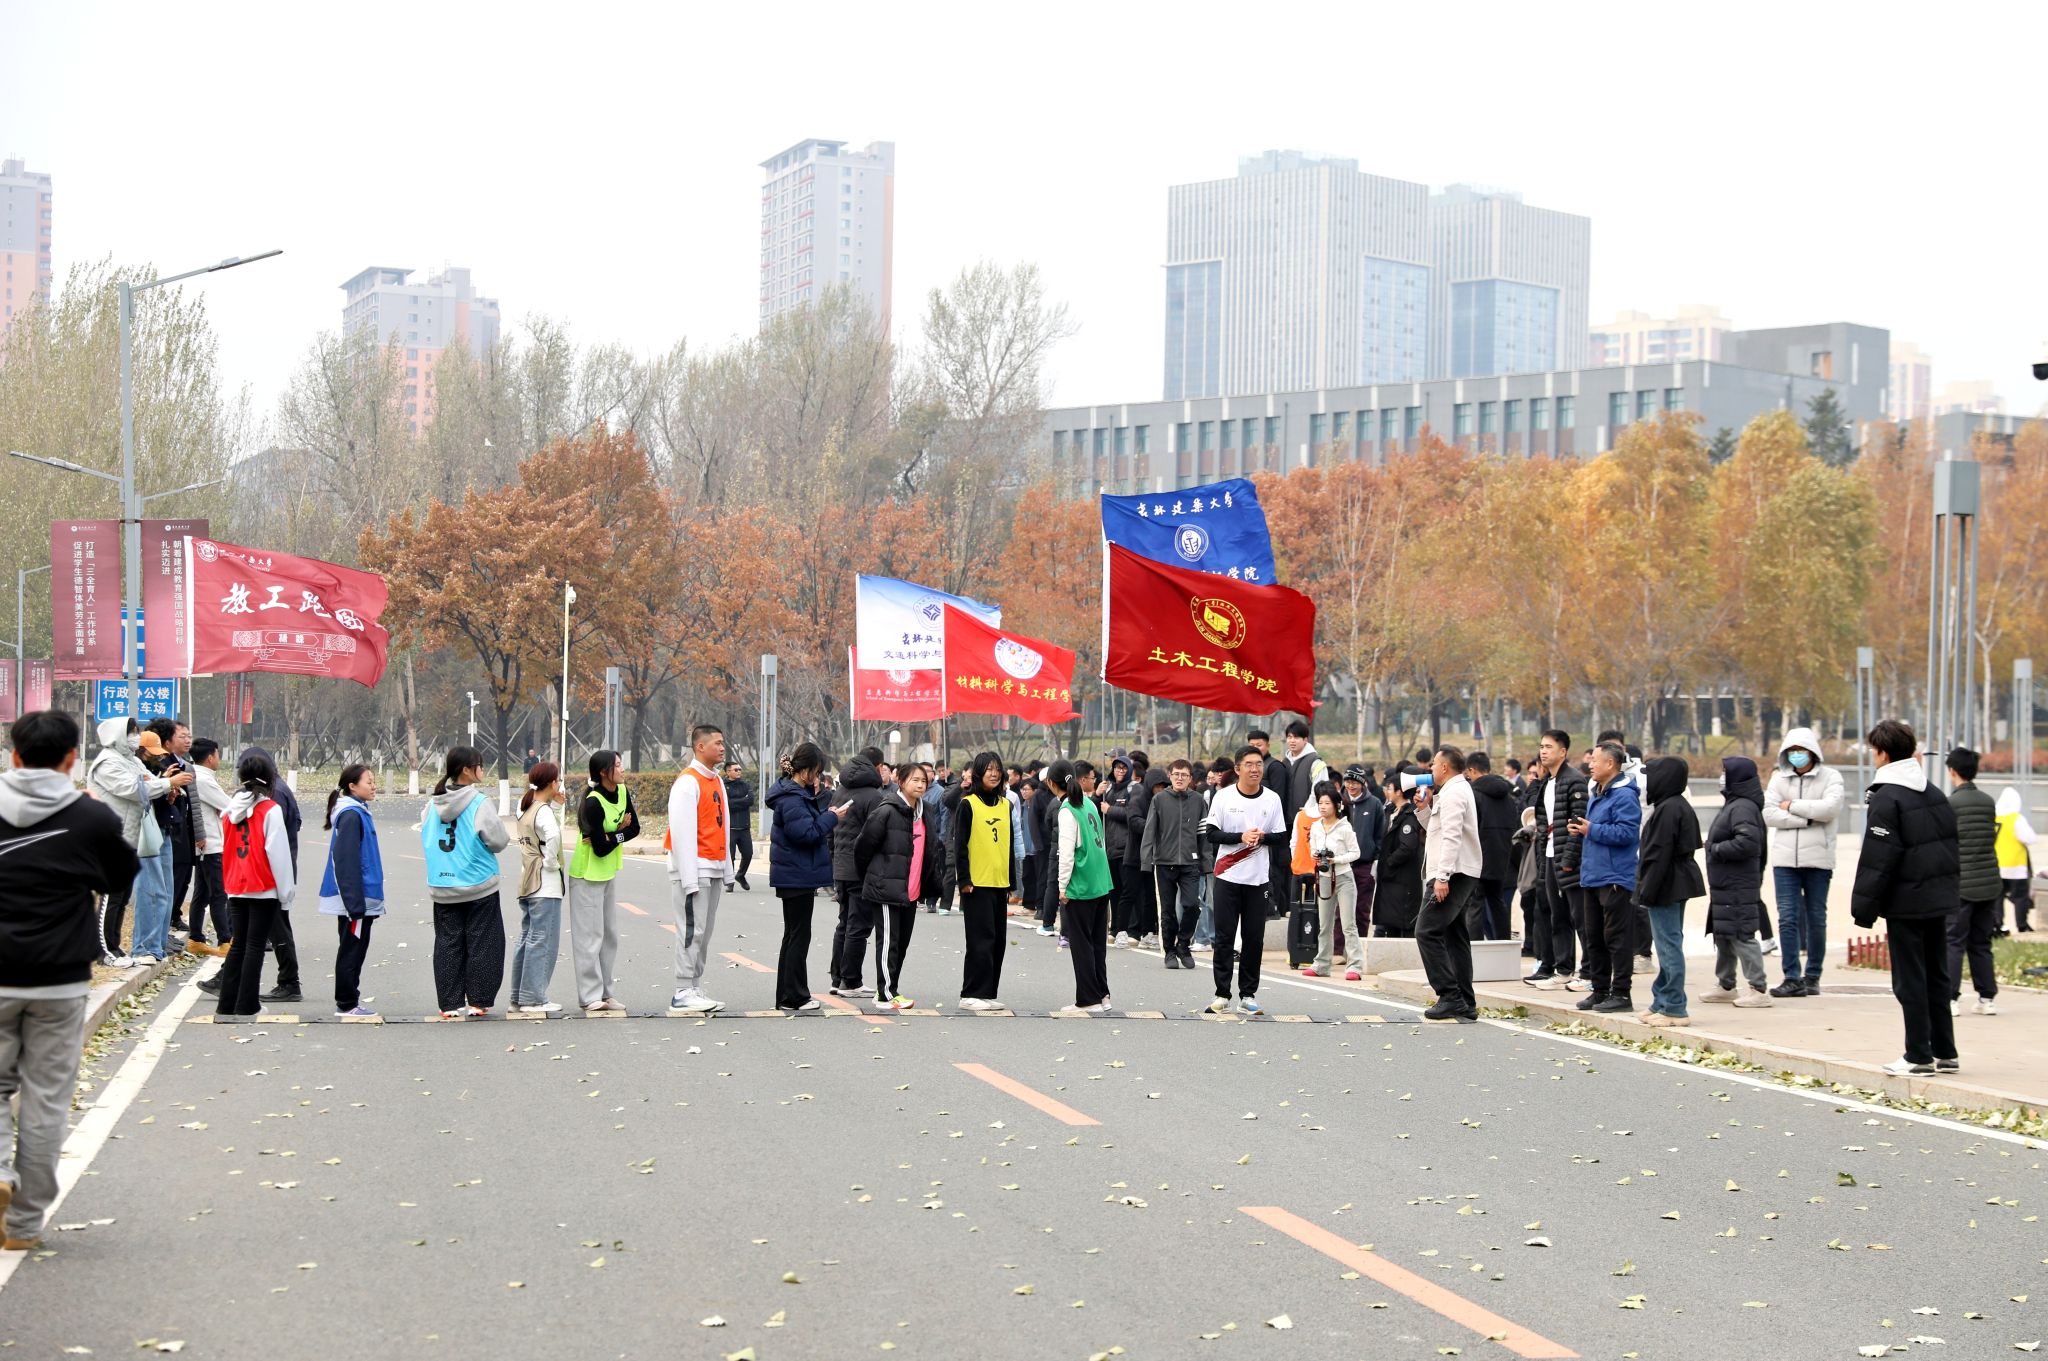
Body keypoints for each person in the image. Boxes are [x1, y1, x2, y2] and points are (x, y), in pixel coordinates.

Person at [0, 711, 138, 1251]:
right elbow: (122, 875)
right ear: (71, 759)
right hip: (59, 979)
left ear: (14, 756)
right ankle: (24, 1225)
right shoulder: (90, 817)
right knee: (45, 1099)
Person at [1850, 720, 1962, 1076]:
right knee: (1937, 975)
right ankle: (1945, 1051)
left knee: (1909, 979)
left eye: (1874, 751)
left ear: (1883, 754)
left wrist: (1863, 907)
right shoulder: (1934, 792)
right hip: (1937, 898)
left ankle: (1918, 1055)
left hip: (1906, 902)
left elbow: (1878, 857)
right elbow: (1951, 847)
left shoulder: (1887, 797)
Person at [83, 717, 183, 966]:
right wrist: (167, 783)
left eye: (137, 732)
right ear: (117, 735)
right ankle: (103, 951)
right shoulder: (107, 763)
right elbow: (132, 789)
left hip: (130, 836)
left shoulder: (131, 760)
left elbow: (148, 782)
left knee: (123, 894)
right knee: (111, 896)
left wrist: (165, 786)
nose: (135, 737)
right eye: (132, 732)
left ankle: (114, 947)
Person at [420, 746, 510, 1019]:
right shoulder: (479, 802)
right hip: (477, 883)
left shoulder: (432, 804)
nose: (482, 769)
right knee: (484, 942)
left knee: (448, 943)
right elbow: (498, 841)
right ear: (468, 770)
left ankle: (449, 1004)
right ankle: (478, 1001)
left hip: (443, 884)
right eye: (480, 765)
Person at [1200, 744, 1286, 1016]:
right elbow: (1211, 834)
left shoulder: (1272, 799)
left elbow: (1281, 836)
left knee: (1254, 938)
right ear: (1237, 769)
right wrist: (1240, 837)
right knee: (1225, 937)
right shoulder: (1224, 797)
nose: (1255, 769)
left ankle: (1248, 995)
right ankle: (1221, 994)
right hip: (1227, 876)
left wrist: (1262, 837)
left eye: (1259, 764)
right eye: (1249, 764)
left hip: (1257, 879)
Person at [1761, 726, 1845, 997]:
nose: (1797, 755)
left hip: (1819, 860)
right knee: (1787, 918)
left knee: (1816, 918)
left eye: (1801, 750)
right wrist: (1807, 818)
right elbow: (1768, 813)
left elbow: (1830, 809)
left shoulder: (1831, 777)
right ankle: (1791, 977)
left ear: (1812, 752)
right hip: (1785, 861)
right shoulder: (1778, 779)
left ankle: (1813, 976)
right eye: (1792, 750)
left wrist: (1791, 805)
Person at [216, 750, 297, 1018]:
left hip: (235, 884)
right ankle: (248, 1005)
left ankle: (227, 1003)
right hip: (263, 885)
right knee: (255, 946)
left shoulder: (229, 811)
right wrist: (286, 893)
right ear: (270, 779)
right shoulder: (270, 810)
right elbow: (279, 855)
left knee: (238, 944)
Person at [855, 761, 938, 1011]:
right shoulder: (886, 811)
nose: (920, 785)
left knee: (901, 944)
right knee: (888, 942)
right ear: (900, 781)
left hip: (910, 890)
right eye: (915, 780)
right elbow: (862, 848)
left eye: (924, 781)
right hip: (886, 889)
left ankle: (889, 988)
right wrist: (875, 879)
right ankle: (886, 994)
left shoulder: (926, 811)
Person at [1569, 742, 1641, 1015]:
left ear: (1610, 764)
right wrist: (1582, 830)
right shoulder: (1598, 792)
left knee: (1617, 939)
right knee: (1594, 937)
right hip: (1593, 875)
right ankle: (1600, 990)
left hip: (1614, 877)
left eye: (1595, 760)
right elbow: (1598, 830)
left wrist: (1593, 829)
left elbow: (1627, 834)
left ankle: (1621, 993)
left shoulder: (1624, 795)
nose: (1590, 764)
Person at [667, 725, 734, 1015]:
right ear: (700, 747)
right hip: (694, 870)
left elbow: (724, 826)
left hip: (713, 867)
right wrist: (689, 878)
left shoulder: (716, 779)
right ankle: (682, 990)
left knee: (703, 934)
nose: (722, 747)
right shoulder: (687, 782)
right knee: (691, 931)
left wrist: (727, 870)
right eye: (716, 743)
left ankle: (694, 986)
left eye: (722, 742)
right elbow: (681, 833)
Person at [767, 743, 838, 1012]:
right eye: (816, 772)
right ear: (805, 769)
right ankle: (794, 996)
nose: (818, 777)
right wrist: (831, 817)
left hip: (795, 873)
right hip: (795, 874)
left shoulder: (794, 793)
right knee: (798, 936)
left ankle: (788, 995)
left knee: (794, 935)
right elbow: (806, 834)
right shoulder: (792, 798)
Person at [1632, 755, 1701, 1028]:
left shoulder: (1669, 809)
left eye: (1651, 776)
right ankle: (1661, 1000)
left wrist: (1646, 890)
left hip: (1666, 884)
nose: (1647, 782)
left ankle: (1674, 1007)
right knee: (1667, 944)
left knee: (1668, 945)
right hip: (1673, 882)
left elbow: (1658, 855)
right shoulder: (1672, 805)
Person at [566, 750, 635, 1014]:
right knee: (589, 937)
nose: (622, 769)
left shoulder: (623, 792)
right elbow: (599, 848)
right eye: (617, 765)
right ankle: (589, 995)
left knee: (609, 936)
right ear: (604, 772)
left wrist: (614, 835)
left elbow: (635, 828)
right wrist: (618, 832)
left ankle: (607, 992)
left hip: (607, 872)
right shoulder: (593, 802)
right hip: (587, 874)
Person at [1701, 756, 1772, 1009]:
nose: (1722, 776)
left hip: (1738, 883)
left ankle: (1758, 988)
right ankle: (1726, 985)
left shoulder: (1742, 806)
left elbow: (1748, 843)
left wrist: (1715, 848)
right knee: (1724, 934)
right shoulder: (1734, 804)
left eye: (1725, 772)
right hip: (1725, 883)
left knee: (1742, 934)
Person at [1417, 746, 1482, 1022]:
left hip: (1453, 873)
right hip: (1459, 870)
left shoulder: (1454, 792)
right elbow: (1438, 831)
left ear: (1444, 767)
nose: (1430, 769)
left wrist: (1442, 877)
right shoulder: (1454, 790)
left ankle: (1449, 995)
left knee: (1426, 931)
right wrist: (1424, 810)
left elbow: (1452, 837)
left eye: (1434, 764)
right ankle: (1465, 1000)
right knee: (1455, 936)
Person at [319, 764, 384, 1019]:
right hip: (355, 899)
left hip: (359, 896)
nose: (374, 786)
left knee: (355, 948)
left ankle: (349, 1001)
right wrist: (354, 903)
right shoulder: (351, 815)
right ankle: (347, 1003)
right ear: (352, 786)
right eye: (369, 781)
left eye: (374, 781)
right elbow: (345, 861)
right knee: (351, 950)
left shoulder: (358, 811)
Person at [952, 752, 1016, 1010]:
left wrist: (1011, 882)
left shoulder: (1006, 805)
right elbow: (959, 846)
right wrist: (964, 880)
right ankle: (970, 994)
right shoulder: (968, 804)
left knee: (998, 941)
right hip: (976, 883)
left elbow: (1009, 845)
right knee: (980, 940)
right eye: (988, 769)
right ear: (978, 773)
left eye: (997, 769)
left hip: (999, 882)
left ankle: (987, 993)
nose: (994, 773)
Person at [828, 747, 889, 996]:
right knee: (859, 926)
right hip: (861, 869)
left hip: (840, 867)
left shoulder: (839, 791)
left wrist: (834, 860)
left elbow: (831, 831)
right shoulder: (873, 796)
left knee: (844, 923)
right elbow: (876, 836)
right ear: (877, 767)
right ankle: (850, 981)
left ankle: (837, 978)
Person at [1944, 748, 2000, 1017]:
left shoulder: (1950, 804)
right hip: (1989, 882)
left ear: (1952, 771)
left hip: (1962, 883)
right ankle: (1987, 999)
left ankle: (1951, 998)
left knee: (1953, 941)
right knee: (1981, 942)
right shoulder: (1988, 802)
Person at [1527, 729, 1585, 990]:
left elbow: (1577, 824)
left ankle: (1589, 972)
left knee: (1579, 917)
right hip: (1550, 855)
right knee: (1556, 915)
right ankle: (1563, 969)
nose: (1543, 751)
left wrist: (1569, 858)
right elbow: (1544, 823)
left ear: (1563, 751)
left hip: (1567, 859)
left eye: (1549, 747)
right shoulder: (1548, 782)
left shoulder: (1574, 780)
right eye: (1541, 746)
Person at [510, 761, 566, 1014]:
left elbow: (539, 830)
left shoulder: (524, 806)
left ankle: (519, 996)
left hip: (527, 880)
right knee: (544, 941)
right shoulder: (542, 811)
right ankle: (534, 998)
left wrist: (555, 805)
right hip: (545, 883)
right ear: (552, 783)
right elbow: (552, 835)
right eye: (558, 780)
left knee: (527, 938)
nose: (559, 784)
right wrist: (551, 863)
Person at [1142, 758, 1205, 970]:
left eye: (1184, 775)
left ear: (1190, 778)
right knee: (1167, 911)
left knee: (1192, 905)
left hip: (1190, 862)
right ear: (1170, 776)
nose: (1179, 778)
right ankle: (1169, 951)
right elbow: (1150, 831)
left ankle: (1183, 945)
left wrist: (1206, 862)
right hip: (1164, 862)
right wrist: (1146, 861)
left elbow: (1203, 833)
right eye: (1176, 774)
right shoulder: (1159, 799)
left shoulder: (1198, 801)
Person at [1302, 781, 1361, 978]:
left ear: (1336, 805)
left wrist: (1336, 860)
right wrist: (1316, 856)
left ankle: (1354, 967)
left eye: (1327, 803)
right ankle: (1321, 965)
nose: (1323, 807)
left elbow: (1356, 853)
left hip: (1344, 877)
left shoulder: (1345, 827)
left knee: (1348, 925)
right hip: (1324, 879)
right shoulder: (1316, 827)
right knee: (1324, 925)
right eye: (1320, 803)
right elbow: (1312, 849)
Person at [147, 719, 198, 942]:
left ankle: (167, 926)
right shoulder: (158, 764)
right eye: (182, 736)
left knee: (177, 878)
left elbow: (191, 802)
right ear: (167, 741)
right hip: (160, 828)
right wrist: (167, 783)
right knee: (160, 886)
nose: (187, 740)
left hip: (176, 825)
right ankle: (156, 936)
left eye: (189, 736)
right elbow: (146, 793)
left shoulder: (182, 764)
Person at [185, 738, 234, 957]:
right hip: (211, 845)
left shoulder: (195, 775)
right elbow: (229, 806)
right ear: (210, 757)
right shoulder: (203, 779)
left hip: (205, 845)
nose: (218, 759)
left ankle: (196, 938)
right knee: (218, 894)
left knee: (202, 892)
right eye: (217, 754)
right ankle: (225, 940)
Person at [1465, 752, 1519, 942]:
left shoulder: (1474, 795)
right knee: (1498, 903)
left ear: (1472, 770)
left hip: (1478, 858)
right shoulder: (1508, 796)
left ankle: (1474, 950)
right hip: (1501, 858)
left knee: (1475, 905)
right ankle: (1504, 945)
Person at [1374, 764, 1425, 939]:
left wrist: (1389, 862)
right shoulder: (1390, 812)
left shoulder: (1409, 816)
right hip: (1390, 880)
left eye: (1389, 788)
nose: (1387, 791)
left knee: (1405, 923)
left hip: (1402, 879)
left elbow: (1407, 847)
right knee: (1391, 924)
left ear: (1399, 792)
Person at [1122, 765, 1165, 946]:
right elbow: (1134, 822)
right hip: (1135, 855)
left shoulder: (1165, 801)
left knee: (1150, 897)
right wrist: (1154, 826)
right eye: (1157, 786)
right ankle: (1120, 930)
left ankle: (1149, 932)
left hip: (1155, 857)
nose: (1160, 790)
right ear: (1150, 786)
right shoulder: (1138, 800)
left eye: (1163, 787)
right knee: (1129, 894)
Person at [1100, 754, 1138, 945]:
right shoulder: (1108, 789)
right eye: (1117, 768)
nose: (1120, 771)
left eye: (1123, 768)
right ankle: (1114, 928)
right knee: (1113, 892)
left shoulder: (1134, 789)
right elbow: (1097, 811)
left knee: (1127, 891)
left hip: (1126, 849)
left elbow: (1133, 814)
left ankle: (1128, 929)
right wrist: (1097, 795)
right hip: (1110, 848)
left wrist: (1110, 810)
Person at [1993, 786, 2038, 935]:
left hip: (1997, 865)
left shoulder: (1994, 818)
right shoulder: (2016, 819)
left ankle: (1998, 924)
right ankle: (2022, 925)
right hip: (2016, 866)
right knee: (2020, 897)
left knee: (1998, 898)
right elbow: (2029, 838)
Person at [723, 761, 755, 893]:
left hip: (744, 827)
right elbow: (726, 804)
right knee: (730, 857)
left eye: (740, 769)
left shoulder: (745, 785)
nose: (739, 772)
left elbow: (750, 800)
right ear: (728, 772)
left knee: (748, 854)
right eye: (736, 770)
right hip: (730, 828)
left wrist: (735, 802)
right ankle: (730, 881)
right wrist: (742, 801)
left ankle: (740, 875)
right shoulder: (723, 786)